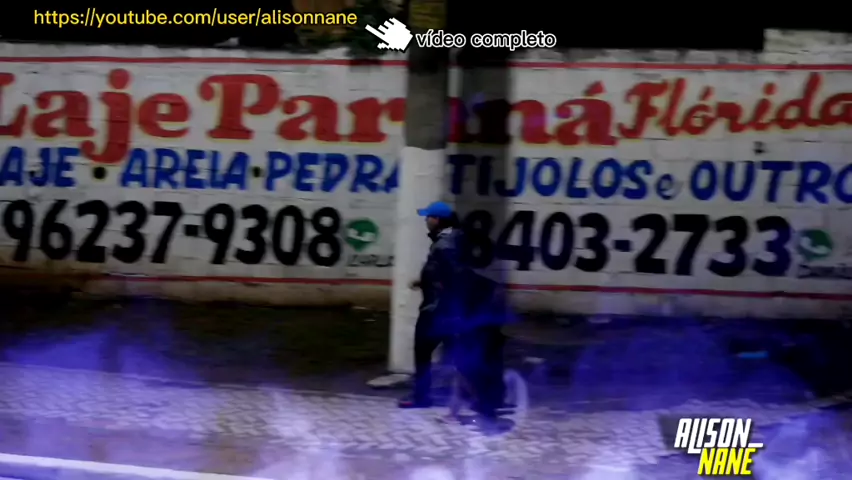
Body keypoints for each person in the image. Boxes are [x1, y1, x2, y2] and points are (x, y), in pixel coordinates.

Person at [398, 201, 507, 416]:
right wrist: (425, 282)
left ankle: (422, 397)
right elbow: (446, 272)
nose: (426, 220)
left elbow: (457, 275)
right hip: (447, 308)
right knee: (459, 355)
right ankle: (483, 398)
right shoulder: (453, 239)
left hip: (438, 309)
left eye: (429, 217)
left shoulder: (444, 245)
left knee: (424, 351)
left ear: (437, 220)